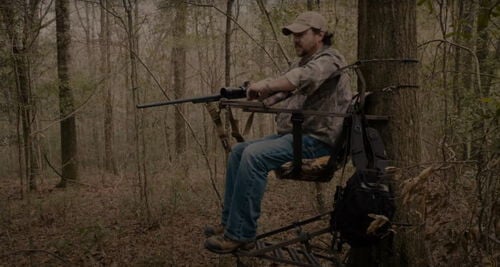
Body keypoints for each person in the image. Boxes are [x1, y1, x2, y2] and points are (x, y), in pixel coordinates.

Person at [204, 11, 352, 254]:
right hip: (296, 138)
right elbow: (280, 92)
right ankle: (230, 222)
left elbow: (297, 79)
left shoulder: (330, 60)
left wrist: (268, 84)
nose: (295, 39)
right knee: (240, 151)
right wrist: (248, 95)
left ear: (320, 35)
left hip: (318, 141)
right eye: (293, 35)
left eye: (301, 34)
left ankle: (241, 234)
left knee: (254, 156)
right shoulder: (302, 63)